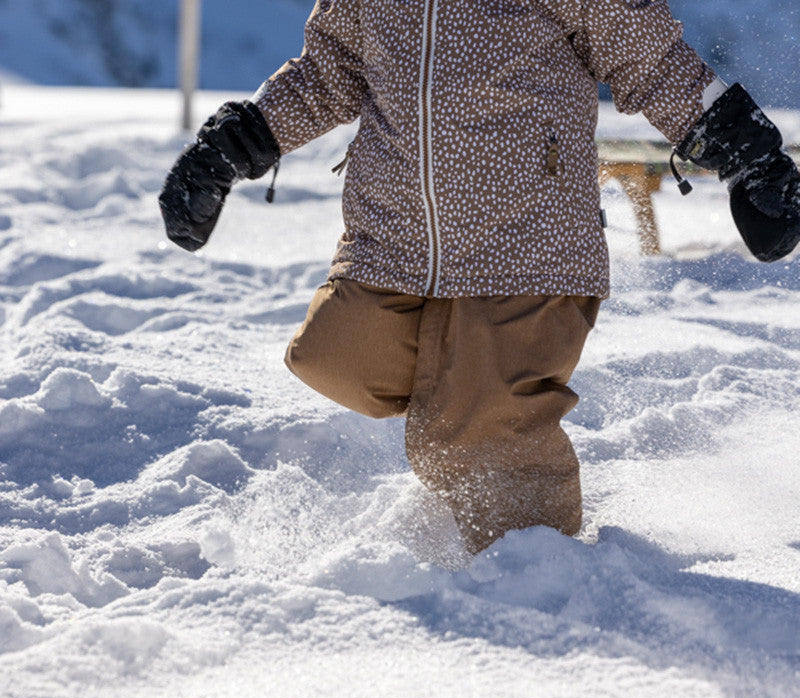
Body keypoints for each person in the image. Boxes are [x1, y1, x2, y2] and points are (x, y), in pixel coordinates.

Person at [159, 0, 800, 558]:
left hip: (528, 244)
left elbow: (649, 58)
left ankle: (534, 581)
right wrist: (230, 148)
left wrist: (752, 158)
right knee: (337, 356)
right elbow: (329, 70)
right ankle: (465, 410)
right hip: (395, 240)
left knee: (484, 433)